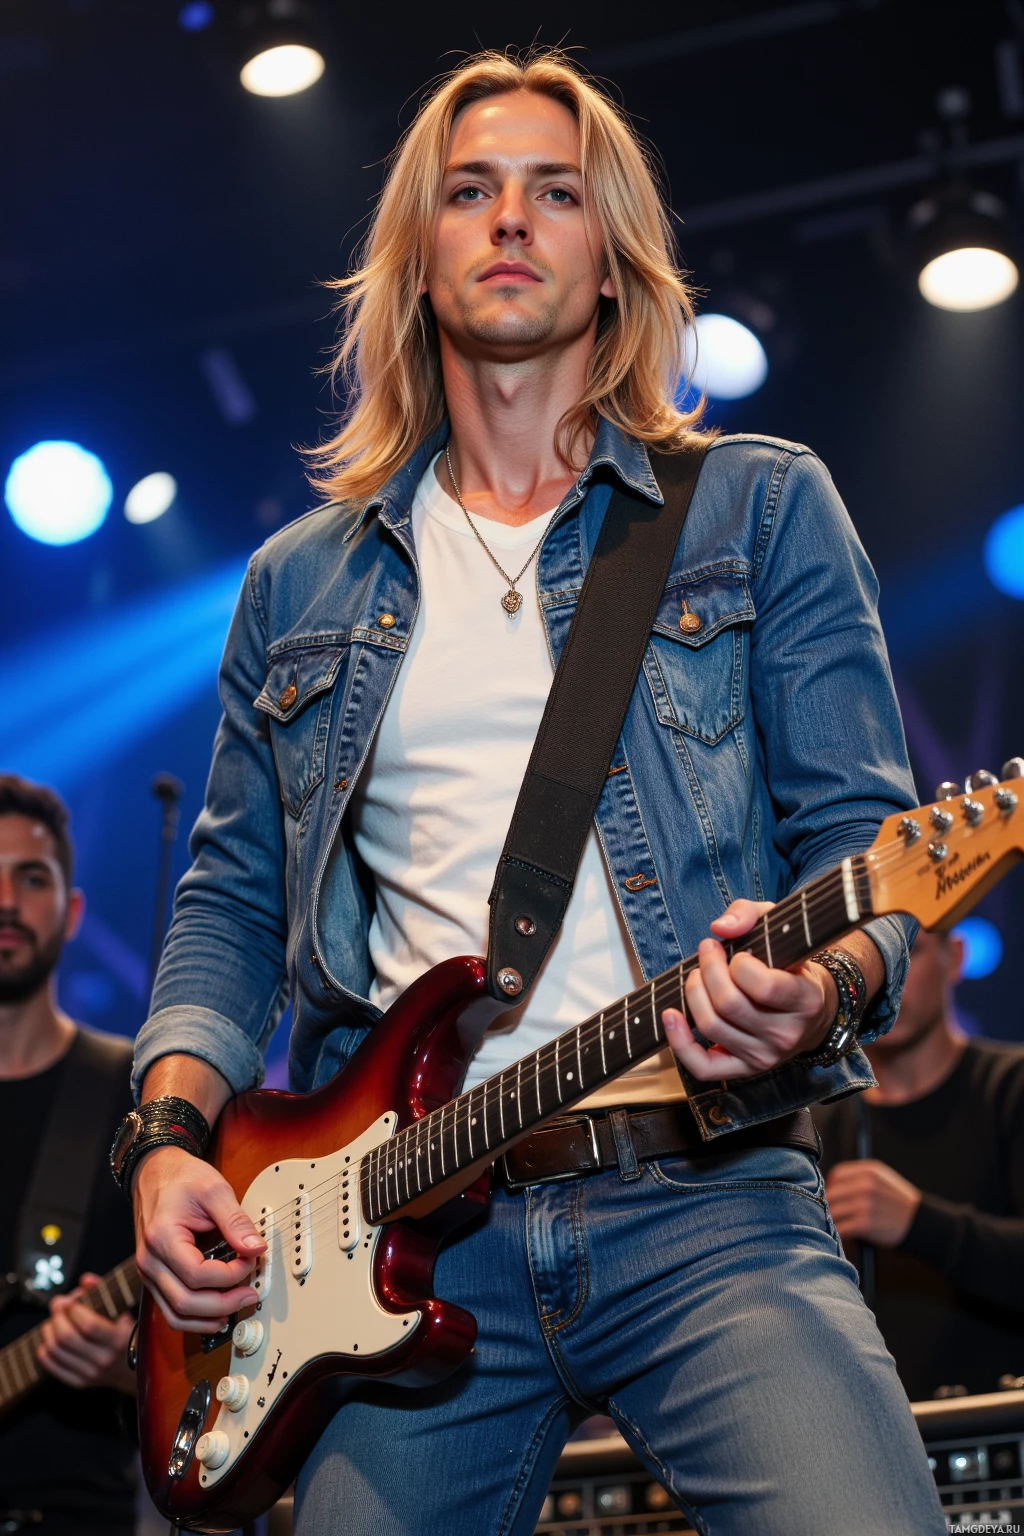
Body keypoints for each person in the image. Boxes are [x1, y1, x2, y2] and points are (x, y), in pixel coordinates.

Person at [124, 50, 946, 1536]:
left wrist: (816, 990)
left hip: (710, 1198)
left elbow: (863, 851)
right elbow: (228, 908)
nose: (511, 218)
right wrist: (170, 1140)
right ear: (418, 259)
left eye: (555, 192)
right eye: (471, 191)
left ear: (613, 258)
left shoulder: (759, 508)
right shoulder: (297, 584)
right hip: (410, 1242)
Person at [0, 775, 137, 1536]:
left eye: (31, 877)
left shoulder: (138, 1094)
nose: (7, 903)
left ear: (72, 909)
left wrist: (128, 1366)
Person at [815, 928, 1024, 1401]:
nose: (891, 976)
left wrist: (917, 1221)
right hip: (870, 1431)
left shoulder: (1010, 1088)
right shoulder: (817, 1125)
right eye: (870, 958)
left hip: (997, 1424)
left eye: (911, 950)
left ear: (956, 955)